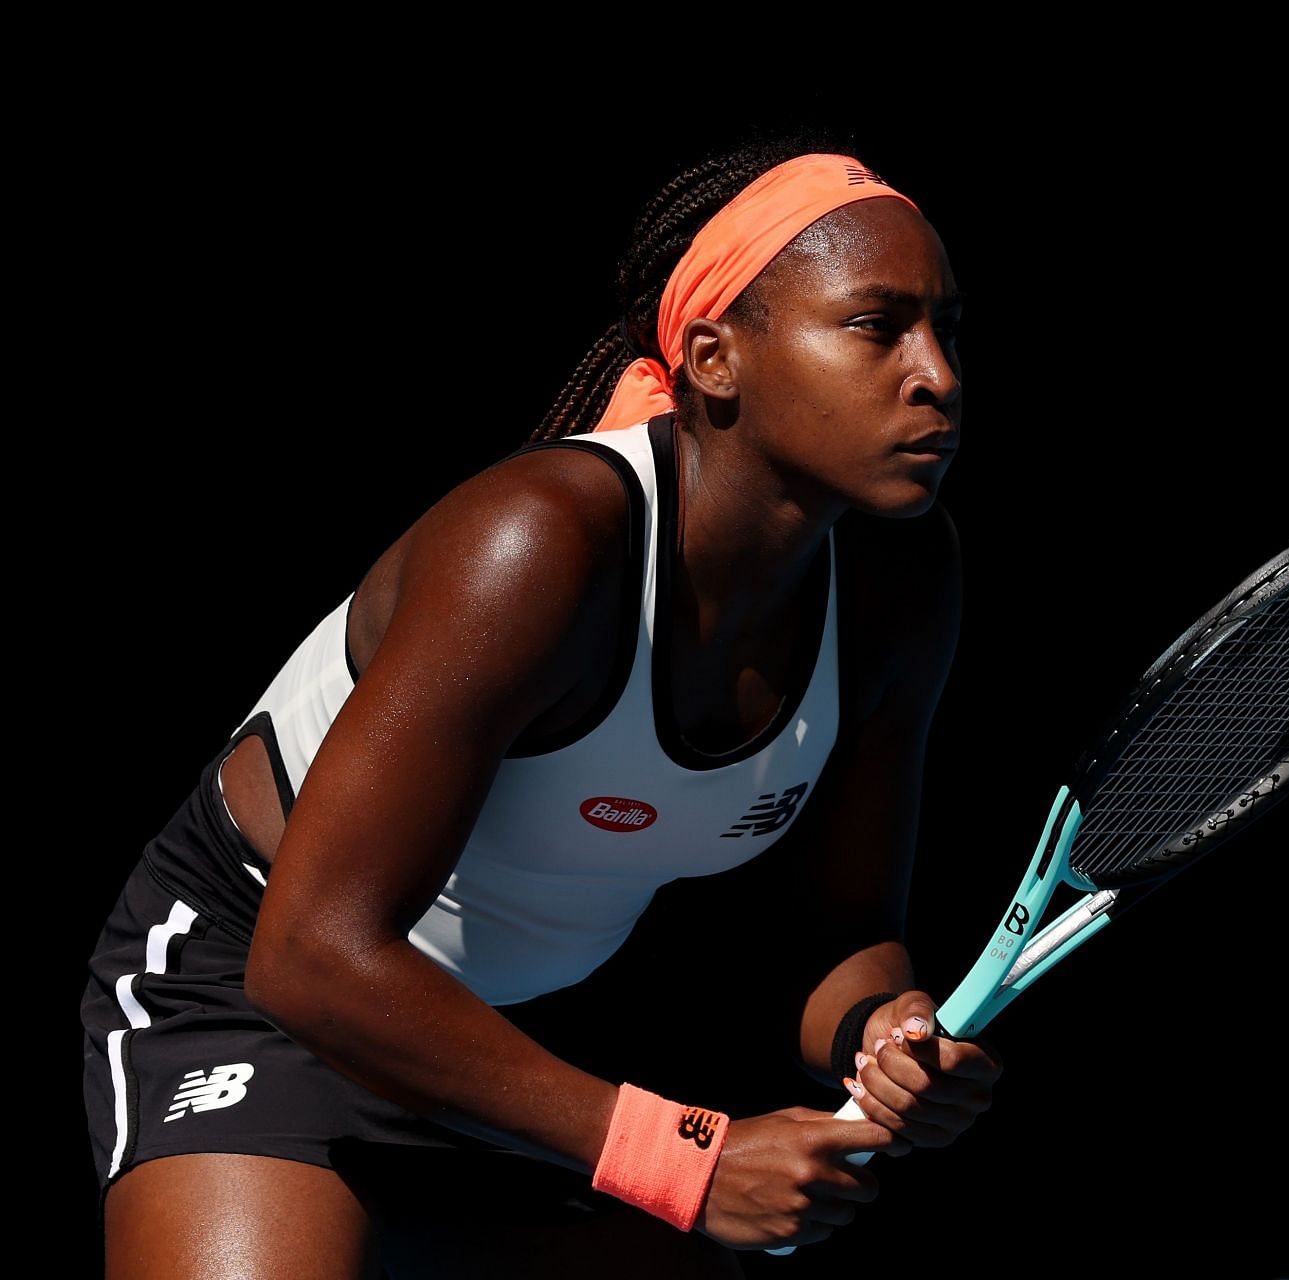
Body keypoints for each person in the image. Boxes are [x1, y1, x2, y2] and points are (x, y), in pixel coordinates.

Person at [78, 128, 996, 1277]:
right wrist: (683, 1156)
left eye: (946, 330)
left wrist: (884, 1034)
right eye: (877, 326)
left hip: (530, 1036)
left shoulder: (902, 579)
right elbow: (309, 955)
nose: (938, 376)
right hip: (258, 985)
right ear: (715, 356)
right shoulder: (540, 543)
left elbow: (842, 932)